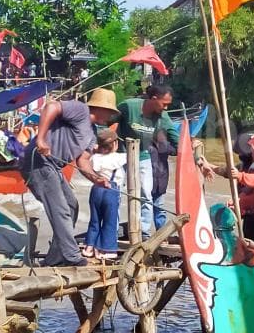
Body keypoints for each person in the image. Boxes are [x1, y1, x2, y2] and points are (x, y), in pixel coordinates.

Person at [21, 88, 117, 267]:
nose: (111, 115)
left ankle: (55, 257)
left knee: (72, 206)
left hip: (54, 167)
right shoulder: (81, 110)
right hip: (38, 161)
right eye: (109, 111)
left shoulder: (92, 132)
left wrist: (96, 179)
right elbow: (51, 107)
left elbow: (83, 161)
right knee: (60, 209)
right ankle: (71, 255)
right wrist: (41, 139)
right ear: (99, 108)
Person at [117, 84, 178, 239]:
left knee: (146, 195)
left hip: (143, 156)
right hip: (121, 155)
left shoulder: (163, 117)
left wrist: (193, 155)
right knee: (115, 192)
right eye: (164, 104)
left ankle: (143, 232)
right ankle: (113, 230)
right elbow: (106, 119)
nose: (165, 108)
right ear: (153, 98)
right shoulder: (129, 106)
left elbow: (175, 138)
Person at [199, 133, 254, 243]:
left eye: (240, 152)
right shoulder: (243, 165)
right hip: (246, 210)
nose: (239, 155)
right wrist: (207, 164)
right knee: (246, 237)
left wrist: (238, 200)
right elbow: (225, 171)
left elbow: (251, 189)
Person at [84, 129, 125, 260]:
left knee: (95, 220)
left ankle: (89, 247)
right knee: (110, 221)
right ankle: (106, 249)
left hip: (96, 190)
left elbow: (91, 164)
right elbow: (132, 155)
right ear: (114, 144)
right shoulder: (119, 157)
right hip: (111, 190)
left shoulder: (95, 158)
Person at [149, 129, 177, 229]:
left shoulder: (165, 145)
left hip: (160, 182)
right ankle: (145, 233)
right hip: (149, 181)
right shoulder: (147, 145)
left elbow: (177, 150)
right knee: (149, 207)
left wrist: (190, 144)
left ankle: (160, 232)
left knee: (159, 207)